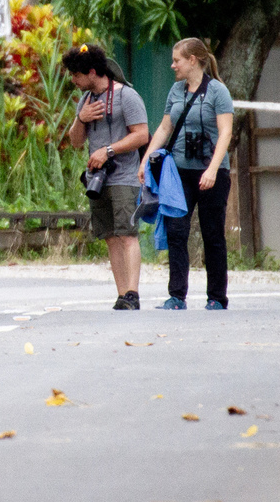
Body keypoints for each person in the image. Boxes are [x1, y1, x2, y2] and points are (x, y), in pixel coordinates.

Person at [139, 37, 235, 310]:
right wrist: (145, 160)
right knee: (176, 231)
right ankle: (177, 295)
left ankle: (217, 297)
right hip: (179, 173)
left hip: (211, 173)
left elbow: (226, 132)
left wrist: (213, 169)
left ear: (192, 60)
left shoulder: (217, 91)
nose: (173, 65)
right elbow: (164, 128)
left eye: (176, 60)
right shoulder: (175, 90)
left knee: (212, 234)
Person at [64, 44, 150, 310]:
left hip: (124, 176)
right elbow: (76, 142)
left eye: (76, 75)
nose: (73, 80)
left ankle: (133, 293)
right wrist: (81, 118)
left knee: (127, 234)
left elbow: (141, 135)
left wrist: (108, 151)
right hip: (97, 179)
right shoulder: (86, 100)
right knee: (110, 236)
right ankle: (122, 294)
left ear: (92, 72)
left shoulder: (126, 96)